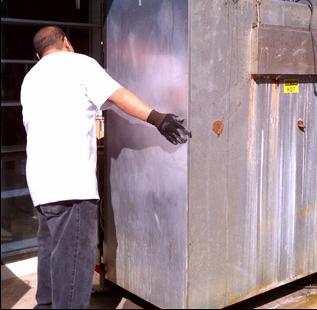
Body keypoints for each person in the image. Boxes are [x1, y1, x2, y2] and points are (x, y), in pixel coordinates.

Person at [20, 26, 192, 309]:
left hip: (41, 187)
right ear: (66, 41)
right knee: (74, 273)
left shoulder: (30, 78)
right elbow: (116, 95)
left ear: (38, 54)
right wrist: (158, 118)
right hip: (71, 186)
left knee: (51, 261)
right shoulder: (79, 64)